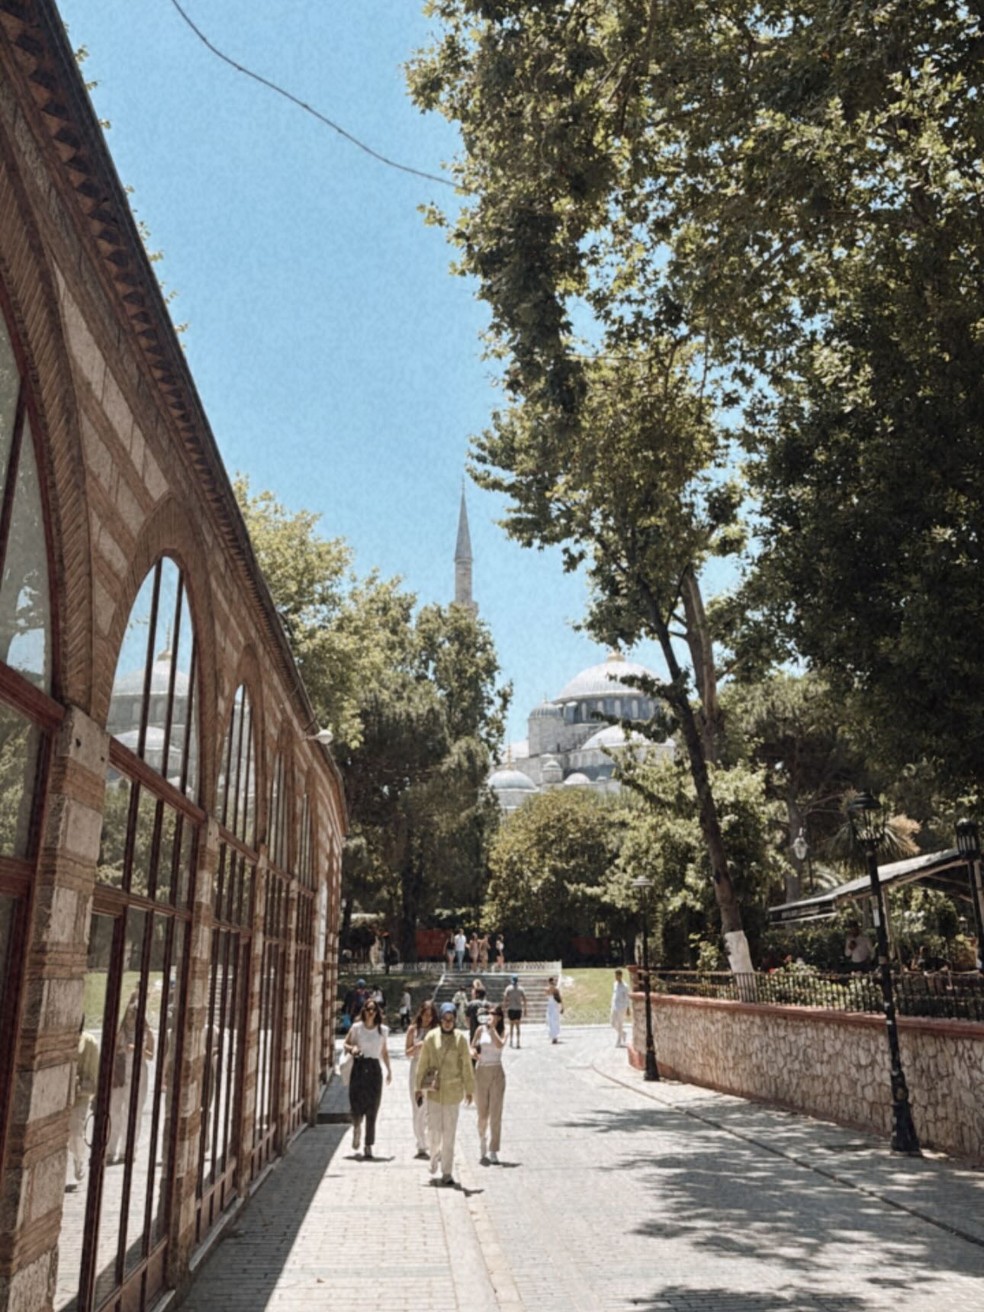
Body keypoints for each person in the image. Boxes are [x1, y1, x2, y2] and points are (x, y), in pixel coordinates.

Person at [415, 1001, 474, 1186]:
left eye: (451, 1019)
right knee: (434, 1132)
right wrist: (418, 1087)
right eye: (445, 1019)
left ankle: (447, 1172)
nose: (448, 1023)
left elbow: (466, 1065)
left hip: (453, 1092)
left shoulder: (460, 1039)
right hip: (434, 1091)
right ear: (440, 1019)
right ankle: (434, 1157)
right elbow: (422, 1063)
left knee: (450, 1133)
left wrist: (469, 1089)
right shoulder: (431, 1037)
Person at [107, 991, 155, 1162]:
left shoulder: (147, 1033)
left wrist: (137, 1049)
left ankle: (127, 1149)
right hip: (120, 1072)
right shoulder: (120, 1032)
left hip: (138, 1071)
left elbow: (151, 1055)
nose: (131, 1016)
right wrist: (120, 1048)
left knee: (133, 1111)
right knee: (115, 1110)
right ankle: (110, 1149)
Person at [344, 998, 392, 1159]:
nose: (371, 1012)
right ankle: (357, 1127)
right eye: (368, 1009)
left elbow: (384, 1052)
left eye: (373, 1009)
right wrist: (353, 1048)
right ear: (363, 1011)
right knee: (356, 1104)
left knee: (373, 1107)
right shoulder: (356, 1028)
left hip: (374, 1069)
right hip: (359, 1066)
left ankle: (368, 1144)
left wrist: (389, 1070)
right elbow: (345, 1044)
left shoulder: (382, 1030)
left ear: (377, 1012)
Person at [471, 1004, 507, 1164]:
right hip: (482, 1071)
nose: (490, 1016)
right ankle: (482, 1138)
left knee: (495, 1113)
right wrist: (473, 1053)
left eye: (493, 1014)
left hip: (497, 1071)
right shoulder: (480, 1030)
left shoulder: (502, 1030)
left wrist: (492, 1029)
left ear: (499, 1017)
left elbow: (499, 1044)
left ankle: (494, 1149)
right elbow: (472, 1046)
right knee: (482, 1114)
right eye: (489, 1014)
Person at [405, 999, 438, 1158]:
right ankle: (420, 1143)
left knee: (429, 1107)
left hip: (430, 1069)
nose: (427, 1018)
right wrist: (416, 1047)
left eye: (430, 1016)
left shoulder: (436, 1030)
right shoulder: (413, 1030)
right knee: (417, 1106)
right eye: (425, 1015)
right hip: (416, 1067)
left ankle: (430, 1141)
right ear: (421, 1014)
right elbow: (407, 1052)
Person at [68, 1027, 100, 1186]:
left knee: (76, 1129)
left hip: (80, 1095)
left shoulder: (90, 1043)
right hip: (61, 1092)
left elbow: (94, 1074)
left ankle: (79, 1159)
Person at [502, 974, 527, 1048]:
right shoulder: (521, 989)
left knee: (511, 1026)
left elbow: (505, 999)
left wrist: (504, 1008)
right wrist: (525, 1009)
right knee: (518, 1026)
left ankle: (511, 1041)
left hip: (511, 1008)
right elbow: (525, 999)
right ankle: (518, 1042)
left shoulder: (508, 988)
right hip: (518, 1009)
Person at [610, 968, 630, 1048]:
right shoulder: (615, 984)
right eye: (615, 975)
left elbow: (627, 998)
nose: (615, 977)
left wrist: (628, 1008)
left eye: (617, 975)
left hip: (622, 1007)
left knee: (620, 1024)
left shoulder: (625, 986)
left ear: (620, 976)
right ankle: (623, 1033)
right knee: (612, 1023)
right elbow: (614, 995)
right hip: (614, 1006)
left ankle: (619, 1041)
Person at [545, 976, 564, 1043]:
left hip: (553, 1006)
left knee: (553, 1021)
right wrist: (562, 1007)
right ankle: (554, 1037)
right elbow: (560, 998)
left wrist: (562, 1007)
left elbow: (559, 998)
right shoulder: (552, 989)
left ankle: (554, 1037)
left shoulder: (551, 989)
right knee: (552, 1021)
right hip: (552, 1006)